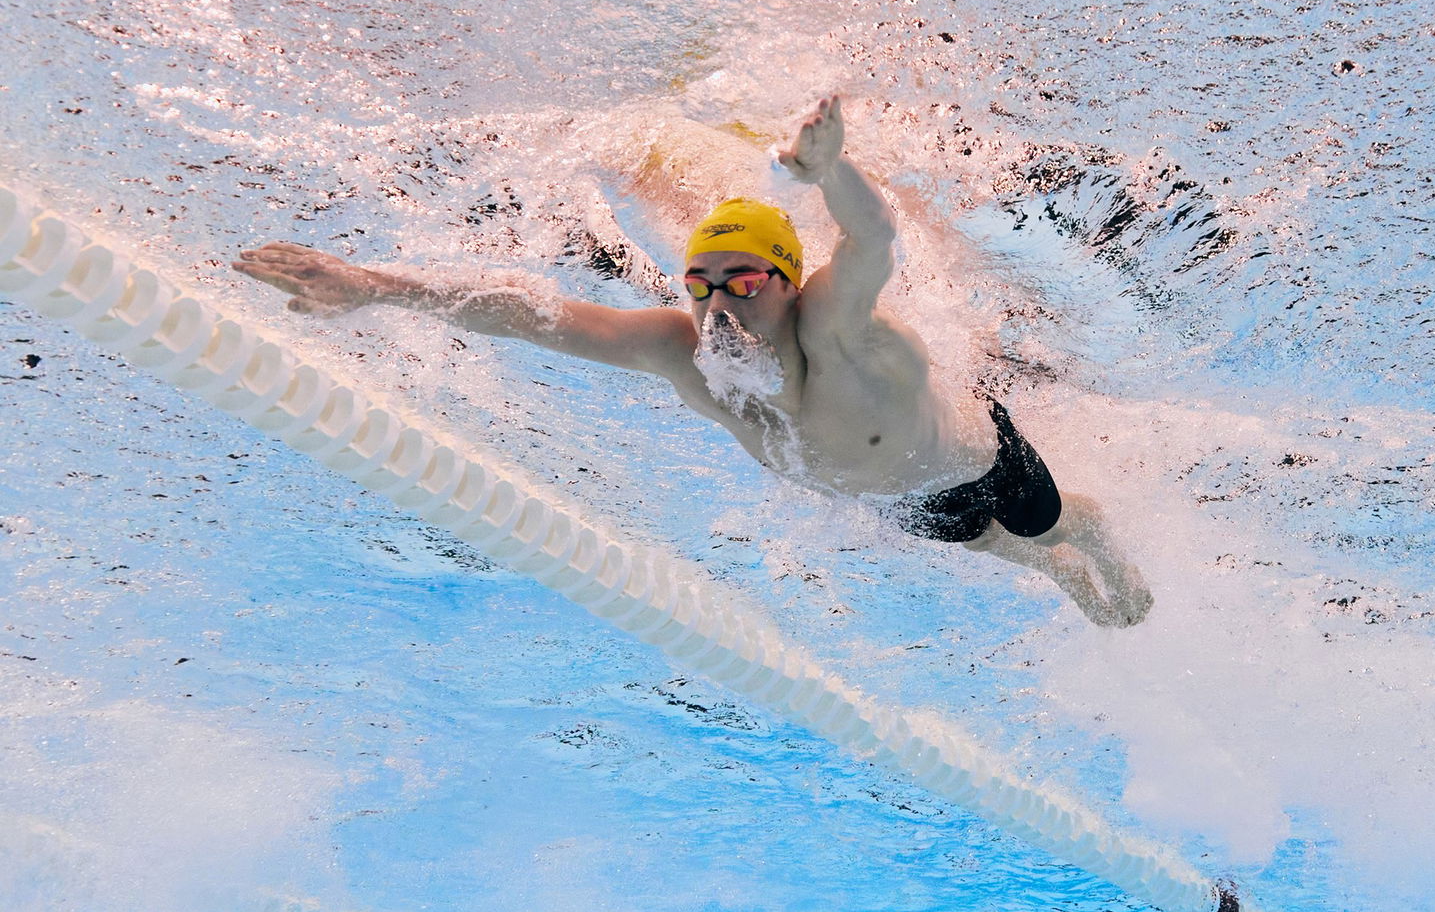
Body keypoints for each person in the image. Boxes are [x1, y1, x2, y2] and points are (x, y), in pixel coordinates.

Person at [232, 96, 1153, 627]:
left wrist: (829, 172)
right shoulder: (686, 353)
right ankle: (1066, 572)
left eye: (744, 278)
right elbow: (540, 318)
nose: (719, 301)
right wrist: (374, 284)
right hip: (905, 500)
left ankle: (1095, 530)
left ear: (790, 281)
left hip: (975, 456)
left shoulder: (833, 326)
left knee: (1042, 519)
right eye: (701, 282)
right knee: (1001, 550)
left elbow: (873, 241)